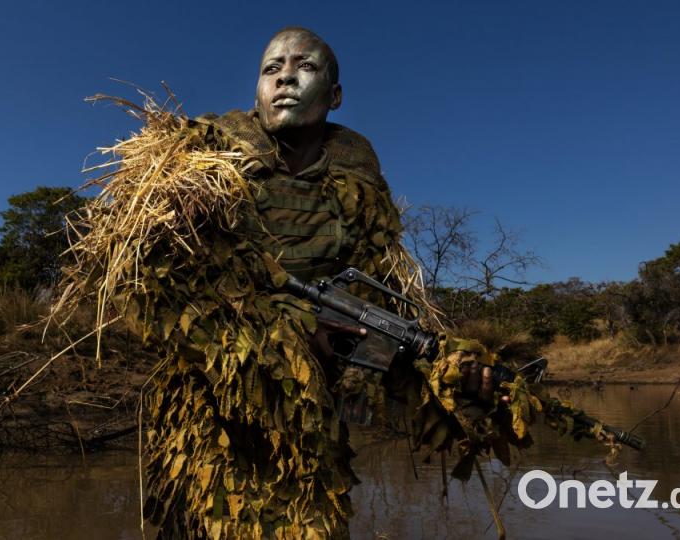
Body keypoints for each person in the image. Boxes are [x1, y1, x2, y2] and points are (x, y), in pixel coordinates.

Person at [138, 27, 501, 539]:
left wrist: (453, 378)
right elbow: (154, 293)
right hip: (212, 432)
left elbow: (376, 322)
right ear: (257, 92)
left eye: (304, 66)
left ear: (335, 96)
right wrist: (291, 337)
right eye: (272, 68)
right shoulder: (203, 164)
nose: (285, 77)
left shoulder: (358, 185)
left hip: (314, 443)